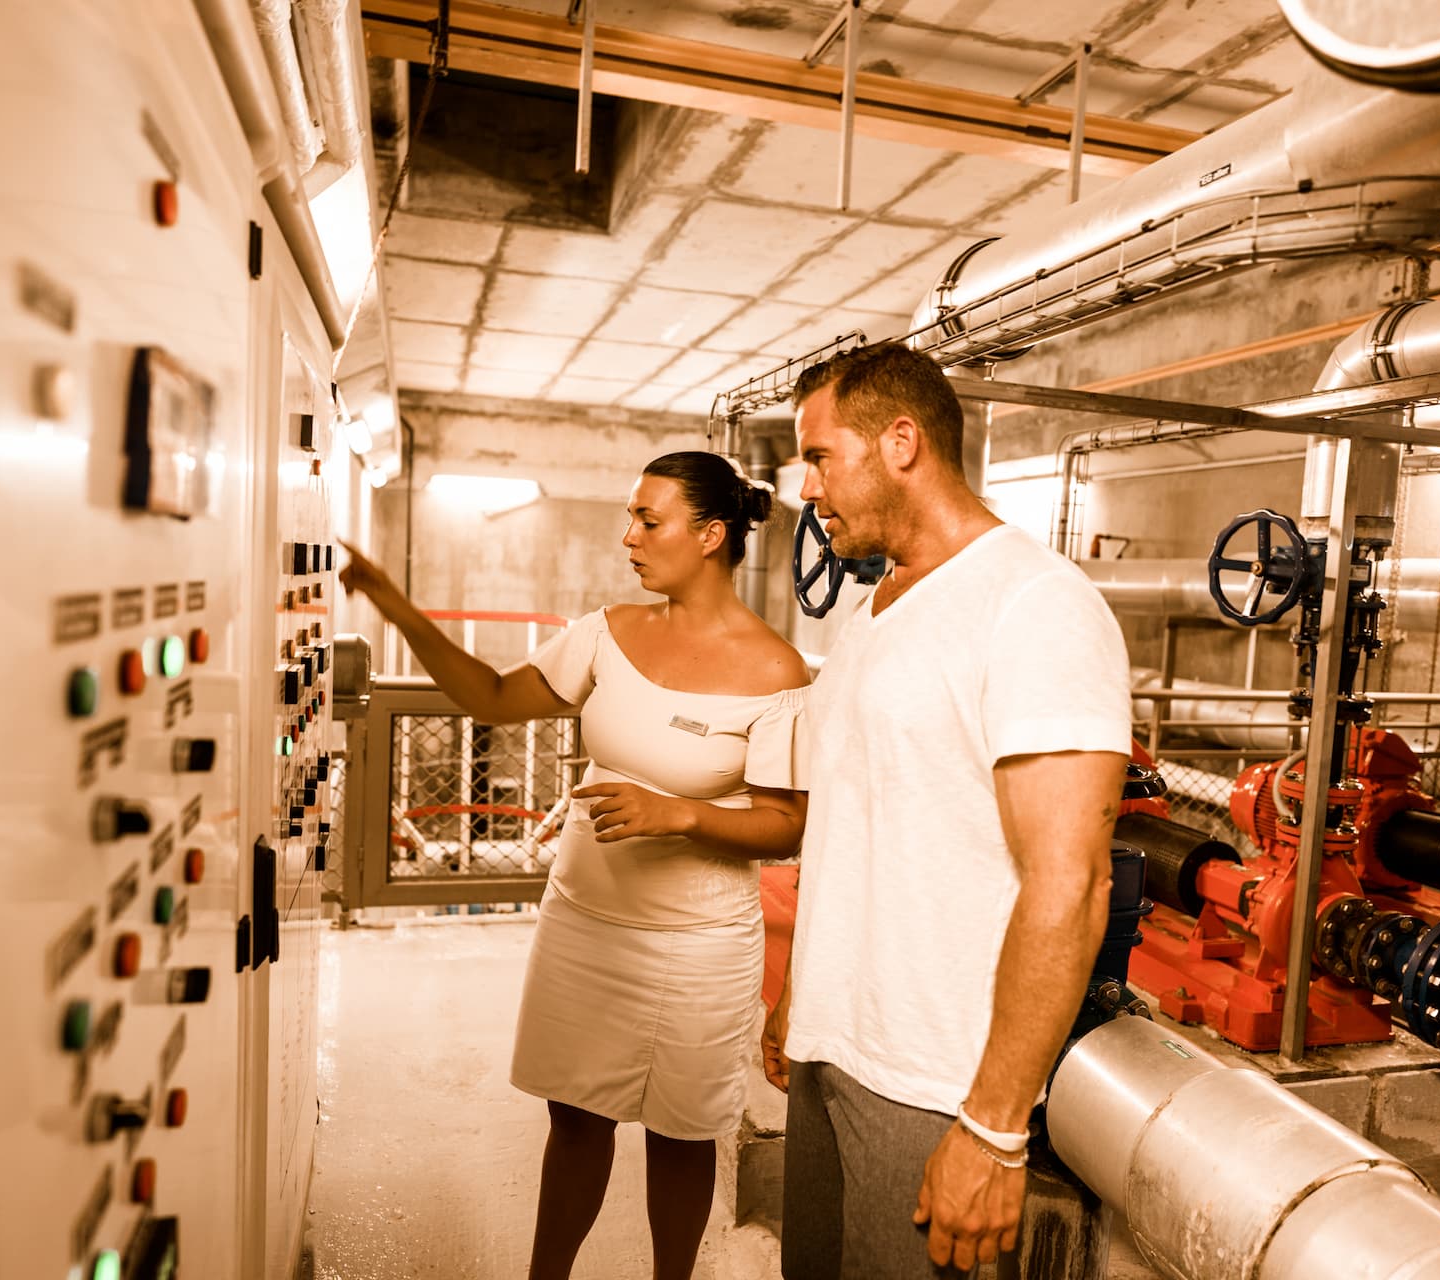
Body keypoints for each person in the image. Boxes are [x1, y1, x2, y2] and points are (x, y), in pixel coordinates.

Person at [339, 450, 810, 1280]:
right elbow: (490, 697)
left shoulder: (775, 670)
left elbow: (785, 826)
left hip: (696, 944)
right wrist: (394, 606)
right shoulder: (607, 632)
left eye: (647, 520)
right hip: (586, 922)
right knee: (576, 1119)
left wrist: (683, 814)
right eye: (630, 516)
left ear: (709, 535)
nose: (627, 536)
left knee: (682, 1131)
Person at [760, 342, 1132, 1279]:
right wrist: (805, 989)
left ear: (900, 441)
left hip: (932, 1083)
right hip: (833, 1052)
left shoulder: (1034, 604)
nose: (808, 489)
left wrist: (996, 1129)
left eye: (819, 456)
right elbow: (860, 824)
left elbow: (1072, 881)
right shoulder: (876, 610)